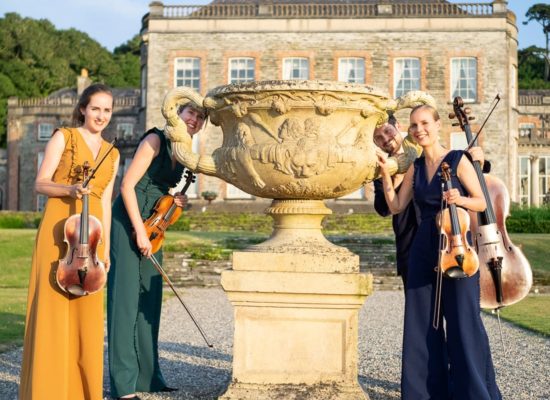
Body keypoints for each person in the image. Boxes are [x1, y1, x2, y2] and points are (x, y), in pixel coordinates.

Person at [377, 104, 501, 400]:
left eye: (424, 123)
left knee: (462, 322)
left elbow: (482, 202)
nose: (420, 130)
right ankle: (424, 394)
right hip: (423, 247)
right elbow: (396, 206)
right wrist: (384, 173)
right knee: (421, 323)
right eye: (414, 126)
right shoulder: (416, 167)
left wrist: (459, 198)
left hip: (457, 245)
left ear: (436, 125)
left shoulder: (458, 160)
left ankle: (472, 393)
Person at [19, 84, 120, 400]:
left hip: (90, 244)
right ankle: (47, 390)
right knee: (53, 312)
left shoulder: (112, 154)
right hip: (58, 236)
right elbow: (40, 183)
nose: (100, 115)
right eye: (95, 109)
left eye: (106, 110)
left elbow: (104, 203)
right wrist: (70, 190)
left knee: (86, 316)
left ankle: (82, 392)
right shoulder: (64, 136)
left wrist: (104, 250)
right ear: (83, 109)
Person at [107, 99, 207, 400]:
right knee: (125, 302)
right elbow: (127, 186)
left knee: (149, 301)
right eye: (192, 113)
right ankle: (124, 386)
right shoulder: (154, 139)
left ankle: (148, 377)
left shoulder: (182, 150)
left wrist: (176, 202)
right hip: (129, 222)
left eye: (201, 118)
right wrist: (139, 231)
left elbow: (162, 193)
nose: (195, 120)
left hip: (153, 228)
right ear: (178, 113)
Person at [373, 116, 491, 288]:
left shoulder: (427, 151)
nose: (385, 139)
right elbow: (384, 209)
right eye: (378, 138)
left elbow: (464, 176)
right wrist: (394, 176)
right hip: (410, 243)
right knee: (420, 306)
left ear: (398, 126)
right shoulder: (381, 171)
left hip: (450, 240)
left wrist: (480, 162)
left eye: (387, 131)